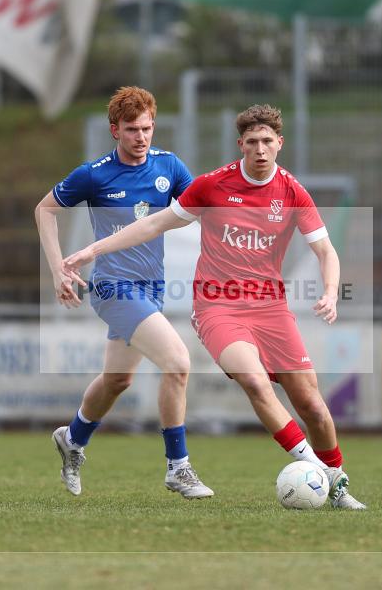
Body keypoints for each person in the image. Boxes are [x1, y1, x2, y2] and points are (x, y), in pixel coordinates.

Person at [63, 104, 366, 509]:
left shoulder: (292, 192)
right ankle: (319, 472)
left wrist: (330, 292)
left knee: (312, 404)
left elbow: (326, 250)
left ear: (280, 144)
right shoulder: (212, 186)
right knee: (255, 382)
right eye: (252, 142)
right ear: (240, 145)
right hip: (217, 308)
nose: (260, 149)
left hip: (271, 309)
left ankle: (338, 485)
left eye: (267, 141)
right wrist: (93, 249)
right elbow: (153, 223)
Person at [35, 86, 213, 499]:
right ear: (115, 130)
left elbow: (196, 211)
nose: (141, 137)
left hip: (152, 288)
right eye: (132, 129)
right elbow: (44, 209)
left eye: (147, 128)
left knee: (117, 380)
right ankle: (178, 467)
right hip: (113, 287)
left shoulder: (169, 166)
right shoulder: (94, 174)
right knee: (178, 362)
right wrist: (57, 269)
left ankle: (73, 438)